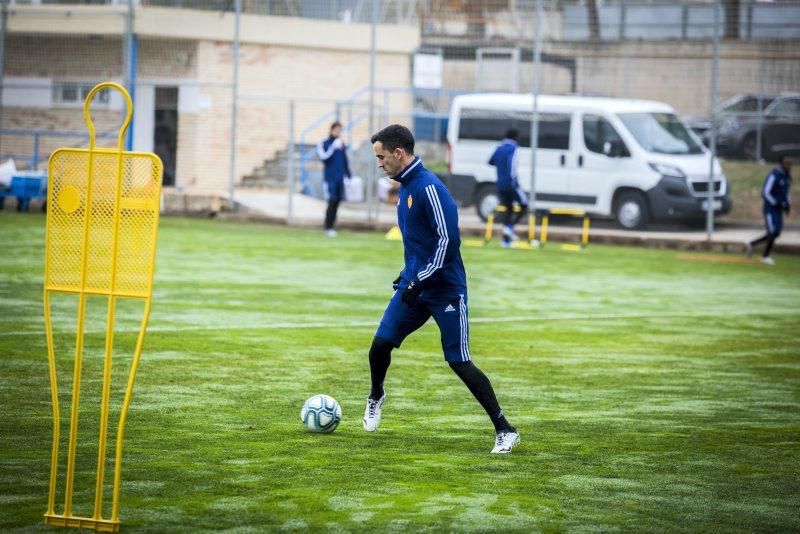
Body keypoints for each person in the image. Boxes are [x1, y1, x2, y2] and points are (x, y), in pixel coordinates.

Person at [364, 124, 520, 454]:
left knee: (459, 362)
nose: (379, 164)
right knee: (379, 346)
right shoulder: (404, 188)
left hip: (446, 289)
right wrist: (407, 276)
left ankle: (505, 429)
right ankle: (376, 395)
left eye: (381, 157)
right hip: (415, 286)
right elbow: (419, 244)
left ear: (398, 153)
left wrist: (420, 278)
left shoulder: (429, 187)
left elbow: (448, 242)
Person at [747, 155, 792, 265]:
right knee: (772, 232)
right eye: (787, 163)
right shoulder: (774, 175)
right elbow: (765, 192)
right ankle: (765, 256)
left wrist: (787, 204)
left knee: (776, 233)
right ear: (781, 163)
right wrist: (776, 202)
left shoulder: (787, 177)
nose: (789, 165)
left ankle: (753, 244)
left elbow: (786, 193)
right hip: (770, 209)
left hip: (779, 210)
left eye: (790, 163)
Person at [488, 128, 528, 247]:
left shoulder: (499, 148)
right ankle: (510, 228)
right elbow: (513, 166)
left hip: (500, 184)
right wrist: (514, 181)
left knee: (508, 209)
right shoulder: (514, 148)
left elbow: (490, 162)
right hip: (511, 183)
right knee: (524, 205)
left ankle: (505, 241)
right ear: (515, 137)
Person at [317, 121, 351, 237]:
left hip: (340, 178)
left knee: (337, 202)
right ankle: (327, 227)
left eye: (340, 130)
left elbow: (345, 160)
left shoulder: (341, 144)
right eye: (336, 130)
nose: (338, 132)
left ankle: (332, 226)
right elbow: (324, 158)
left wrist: (348, 174)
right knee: (331, 202)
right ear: (331, 130)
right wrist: (332, 148)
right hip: (329, 178)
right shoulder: (324, 143)